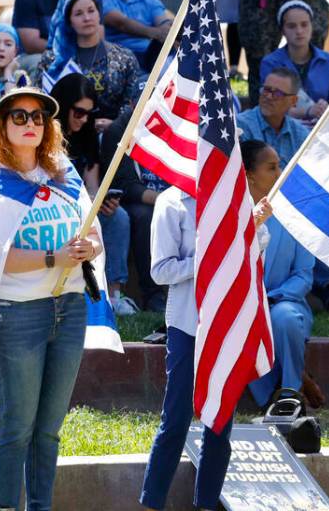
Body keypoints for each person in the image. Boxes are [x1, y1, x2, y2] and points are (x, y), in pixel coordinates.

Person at [0, 87, 103, 511]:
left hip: (71, 306)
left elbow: (90, 227)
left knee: (50, 429)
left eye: (38, 117)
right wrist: (52, 257)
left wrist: (90, 248)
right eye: (18, 117)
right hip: (17, 315)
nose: (30, 124)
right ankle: (6, 506)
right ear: (2, 126)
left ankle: (40, 506)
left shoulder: (64, 172)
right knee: (17, 427)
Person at [141, 173, 259, 511]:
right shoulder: (171, 202)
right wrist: (210, 258)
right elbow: (161, 271)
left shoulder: (235, 200)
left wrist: (254, 229)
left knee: (220, 423)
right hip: (187, 325)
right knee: (176, 420)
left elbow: (252, 251)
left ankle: (207, 504)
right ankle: (152, 503)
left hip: (227, 322)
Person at [48, 74, 135, 315]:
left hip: (80, 207)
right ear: (63, 106)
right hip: (51, 209)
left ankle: (115, 295)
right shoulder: (44, 134)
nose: (84, 119)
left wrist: (101, 203)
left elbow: (92, 186)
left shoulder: (86, 136)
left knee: (118, 217)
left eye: (89, 113)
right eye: (78, 112)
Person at [240, 140, 314, 408]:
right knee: (245, 322)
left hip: (285, 302)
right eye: (271, 167)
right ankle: (267, 396)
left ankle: (290, 392)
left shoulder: (294, 215)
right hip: (244, 304)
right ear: (249, 174)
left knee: (283, 318)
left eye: (279, 165)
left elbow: (304, 274)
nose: (279, 172)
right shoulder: (233, 214)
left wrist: (271, 298)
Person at [38, 0, 142, 127]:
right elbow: (41, 103)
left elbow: (132, 101)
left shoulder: (125, 57)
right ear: (69, 21)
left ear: (99, 14)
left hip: (114, 136)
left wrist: (115, 125)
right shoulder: (53, 60)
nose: (87, 18)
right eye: (78, 13)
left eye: (91, 11)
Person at [101, 107, 171, 313]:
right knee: (146, 217)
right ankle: (153, 295)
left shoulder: (176, 124)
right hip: (141, 202)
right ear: (133, 103)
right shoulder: (120, 129)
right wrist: (166, 201)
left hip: (176, 193)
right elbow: (125, 185)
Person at [259, 0, 329, 124]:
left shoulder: (328, 61)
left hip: (323, 130)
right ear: (282, 30)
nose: (299, 31)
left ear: (312, 26)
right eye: (291, 26)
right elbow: (273, 107)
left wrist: (325, 107)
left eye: (304, 24)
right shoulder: (270, 63)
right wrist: (308, 111)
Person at [235, 67, 309, 167]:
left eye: (278, 93)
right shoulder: (240, 127)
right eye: (266, 90)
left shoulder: (301, 135)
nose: (269, 96)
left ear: (293, 101)